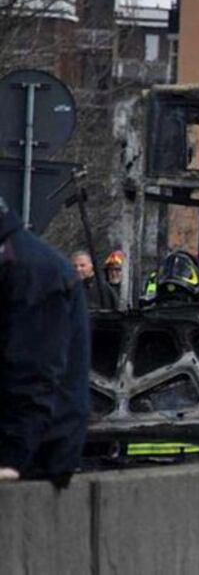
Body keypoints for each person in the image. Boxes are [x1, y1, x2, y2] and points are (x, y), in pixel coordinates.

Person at [0, 198, 91, 487]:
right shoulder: (21, 262)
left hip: (38, 453)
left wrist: (12, 456)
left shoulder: (29, 269)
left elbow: (32, 369)